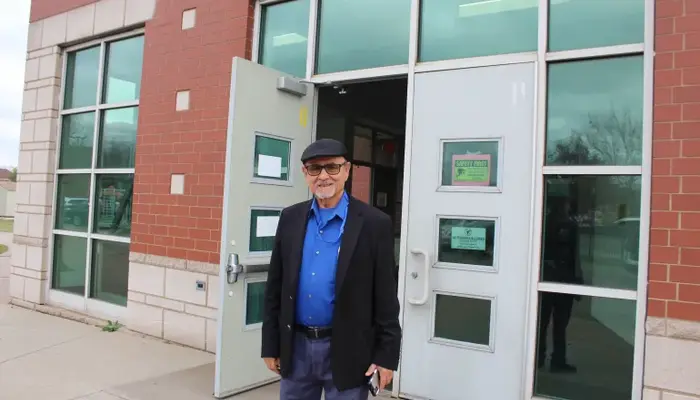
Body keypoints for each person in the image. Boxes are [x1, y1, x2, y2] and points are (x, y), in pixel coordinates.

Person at [261, 138, 402, 400]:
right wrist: (271, 344)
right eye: (315, 169)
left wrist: (386, 356)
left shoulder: (374, 224)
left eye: (332, 168)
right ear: (305, 174)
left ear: (347, 170)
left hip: (349, 349)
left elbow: (385, 298)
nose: (323, 176)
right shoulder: (290, 218)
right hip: (297, 348)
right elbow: (275, 287)